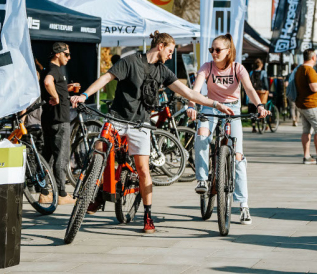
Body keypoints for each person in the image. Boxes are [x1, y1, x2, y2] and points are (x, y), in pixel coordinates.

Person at [70, 31, 235, 234]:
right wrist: (84, 94)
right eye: (170, 51)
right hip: (117, 117)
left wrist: (216, 104)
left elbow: (190, 93)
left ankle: (148, 216)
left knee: (143, 170)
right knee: (99, 147)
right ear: (161, 46)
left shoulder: (162, 72)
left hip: (141, 124)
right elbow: (106, 78)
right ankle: (92, 194)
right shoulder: (130, 61)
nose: (171, 55)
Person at [186, 34, 269, 225]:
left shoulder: (237, 68)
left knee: (238, 157)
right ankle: (202, 180)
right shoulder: (207, 67)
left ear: (228, 51)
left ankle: (244, 206)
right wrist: (191, 105)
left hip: (233, 109)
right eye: (211, 50)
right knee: (201, 135)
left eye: (217, 50)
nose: (213, 53)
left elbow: (248, 88)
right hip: (210, 107)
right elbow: (195, 89)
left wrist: (259, 106)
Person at [40, 42, 80, 205]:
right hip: (59, 118)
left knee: (48, 156)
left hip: (50, 118)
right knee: (62, 156)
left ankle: (45, 192)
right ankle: (61, 193)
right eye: (67, 54)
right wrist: (56, 97)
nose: (69, 57)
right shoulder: (53, 69)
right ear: (58, 53)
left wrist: (65, 89)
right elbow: (48, 82)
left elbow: (51, 83)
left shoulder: (49, 69)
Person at [248, 58, 269, 133]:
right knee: (262, 107)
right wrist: (267, 90)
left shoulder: (251, 72)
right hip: (261, 92)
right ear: (261, 65)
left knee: (252, 109)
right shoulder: (263, 72)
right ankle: (263, 122)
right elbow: (266, 82)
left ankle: (253, 126)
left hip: (253, 92)